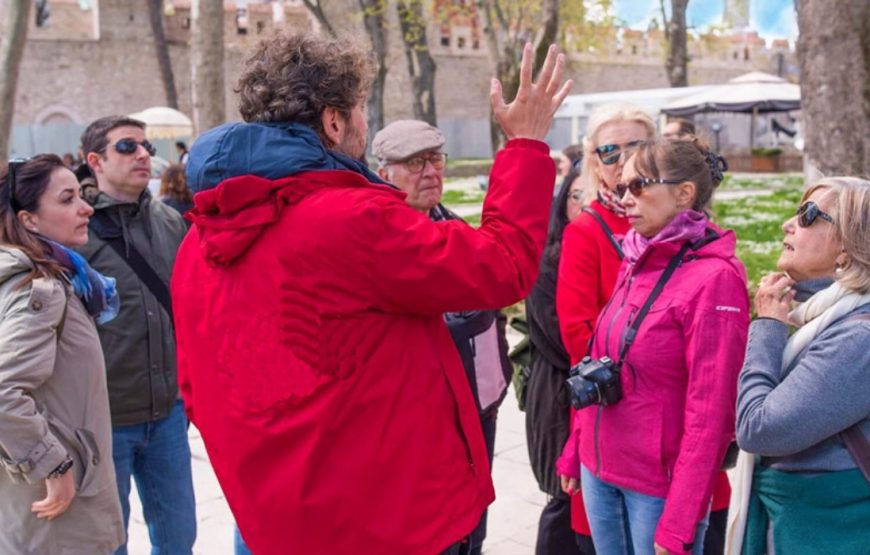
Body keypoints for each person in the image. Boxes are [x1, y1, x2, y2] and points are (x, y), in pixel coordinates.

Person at [171, 31, 571, 555]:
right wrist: (524, 146)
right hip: (389, 520)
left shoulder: (198, 242)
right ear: (334, 121)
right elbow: (502, 267)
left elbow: (197, 385)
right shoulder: (351, 219)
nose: (364, 123)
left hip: (279, 515)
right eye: (360, 109)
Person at [563, 138, 749, 555]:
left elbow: (712, 413)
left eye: (640, 186)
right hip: (600, 470)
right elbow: (602, 358)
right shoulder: (638, 253)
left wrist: (681, 521)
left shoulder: (714, 278)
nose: (625, 197)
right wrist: (576, 448)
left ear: (685, 194)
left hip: (656, 488)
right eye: (622, 187)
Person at [372, 119, 514, 555]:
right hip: (430, 418)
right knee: (440, 531)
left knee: (475, 522)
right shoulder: (382, 237)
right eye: (415, 162)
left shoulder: (452, 224)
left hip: (481, 404)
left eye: (435, 158)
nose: (431, 171)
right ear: (384, 174)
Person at [733, 177, 870, 554]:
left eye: (809, 215)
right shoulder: (822, 314)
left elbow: (759, 429)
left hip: (829, 533)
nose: (788, 224)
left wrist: (767, 326)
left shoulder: (858, 339)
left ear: (846, 245)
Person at [77, 116, 195, 555]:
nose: (143, 154)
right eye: (127, 147)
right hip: (104, 419)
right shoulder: (73, 232)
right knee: (110, 542)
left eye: (145, 145)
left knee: (180, 538)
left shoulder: (170, 221)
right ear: (96, 161)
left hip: (168, 413)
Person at [0, 155, 124, 554]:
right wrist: (52, 465)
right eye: (68, 199)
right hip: (57, 513)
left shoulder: (43, 279)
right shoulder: (40, 290)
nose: (86, 207)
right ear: (29, 220)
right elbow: (3, 392)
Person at [555, 102, 655, 551]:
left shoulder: (684, 223)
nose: (624, 160)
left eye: (637, 146)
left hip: (675, 433)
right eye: (611, 151)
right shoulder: (587, 230)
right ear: (595, 162)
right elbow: (579, 338)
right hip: (615, 417)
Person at [525, 173, 588, 555]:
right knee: (563, 498)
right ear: (562, 203)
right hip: (559, 396)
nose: (583, 203)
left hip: (589, 392)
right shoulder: (546, 261)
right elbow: (561, 340)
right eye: (575, 195)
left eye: (592, 195)